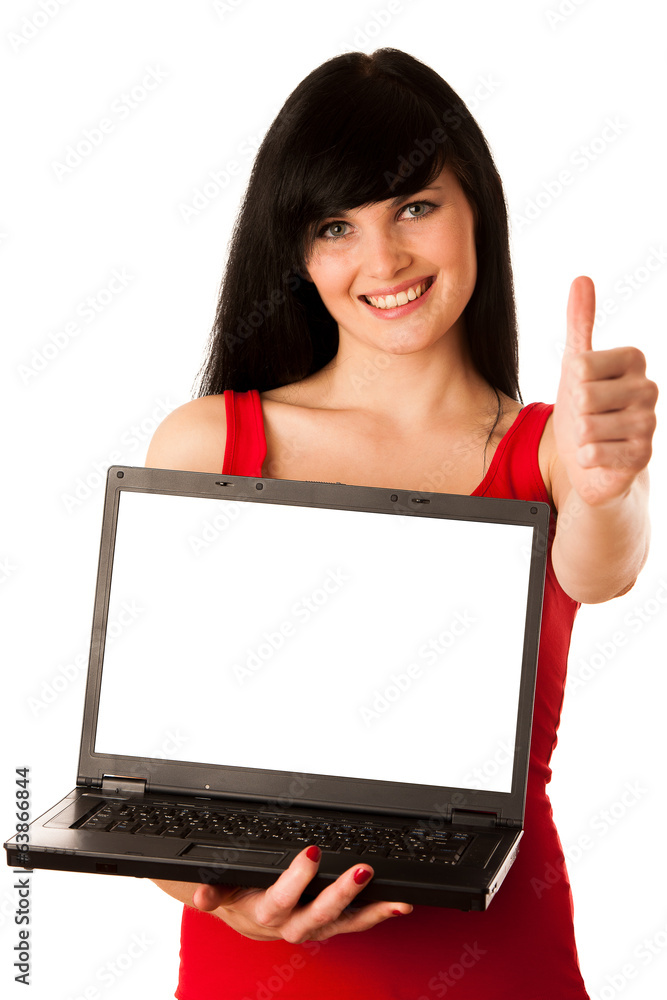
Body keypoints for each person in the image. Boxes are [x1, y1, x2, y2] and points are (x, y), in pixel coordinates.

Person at [145, 48, 657, 1000]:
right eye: (337, 225)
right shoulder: (210, 442)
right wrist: (221, 898)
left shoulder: (547, 449)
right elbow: (150, 766)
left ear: (477, 210)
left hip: (499, 964)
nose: (383, 261)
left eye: (416, 206)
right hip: (255, 973)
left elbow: (602, 564)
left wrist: (608, 479)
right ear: (296, 251)